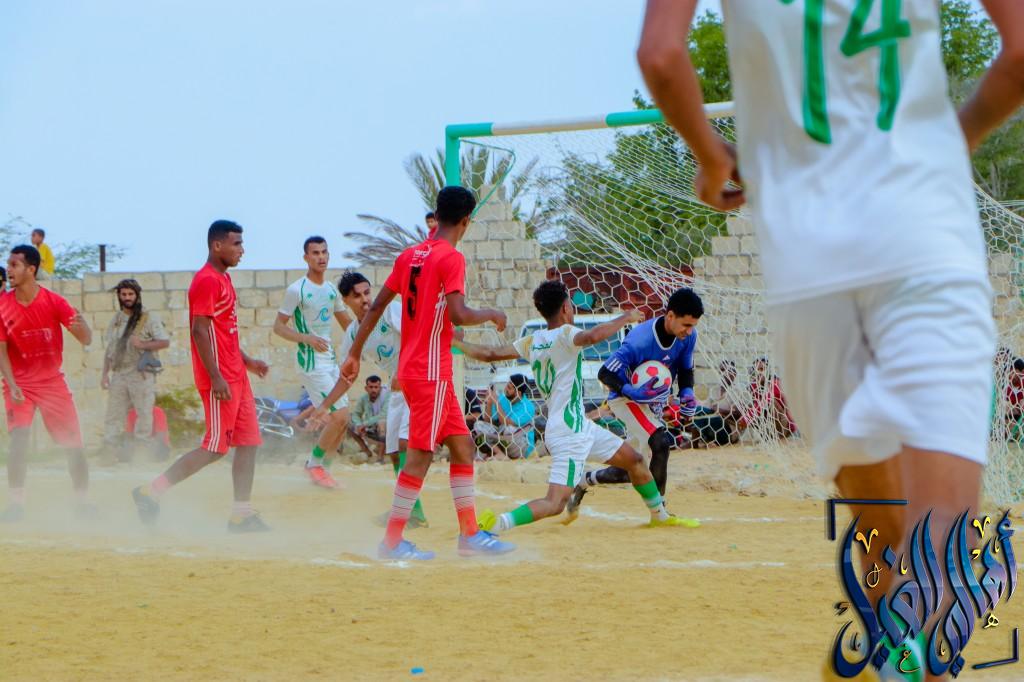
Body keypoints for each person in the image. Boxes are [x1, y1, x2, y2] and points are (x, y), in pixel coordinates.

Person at [637, 0, 1023, 674]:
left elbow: (661, 56)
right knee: (939, 564)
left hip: (808, 270)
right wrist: (952, 139)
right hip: (926, 243)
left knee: (882, 541)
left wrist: (710, 156)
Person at [324, 186, 514, 560]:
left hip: (414, 371)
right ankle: (392, 542)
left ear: (437, 215)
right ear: (466, 221)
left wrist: (355, 353)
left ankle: (469, 535)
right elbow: (459, 314)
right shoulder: (451, 257)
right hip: (430, 372)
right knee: (420, 455)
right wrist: (492, 314)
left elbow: (377, 306)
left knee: (462, 447)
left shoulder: (409, 255)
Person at [455, 280, 688, 533]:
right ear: (566, 307)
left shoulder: (533, 340)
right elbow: (592, 336)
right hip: (569, 432)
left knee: (635, 460)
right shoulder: (566, 334)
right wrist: (625, 317)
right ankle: (496, 524)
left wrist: (456, 343)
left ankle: (659, 515)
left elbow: (489, 354)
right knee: (555, 503)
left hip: (578, 425)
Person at [131, 220, 270, 533]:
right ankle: (150, 492)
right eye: (236, 244)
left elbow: (225, 333)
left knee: (249, 442)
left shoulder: (224, 278)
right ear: (217, 245)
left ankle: (241, 515)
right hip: (221, 381)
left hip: (237, 376)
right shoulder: (206, 281)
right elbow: (199, 330)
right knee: (216, 447)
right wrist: (216, 377)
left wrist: (247, 361)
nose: (242, 250)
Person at [569, 287, 704, 526]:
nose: (689, 331)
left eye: (693, 326)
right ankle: (660, 513)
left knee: (637, 465)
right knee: (661, 442)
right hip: (625, 400)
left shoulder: (688, 337)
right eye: (686, 325)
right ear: (670, 316)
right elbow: (605, 373)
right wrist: (632, 391)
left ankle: (584, 480)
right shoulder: (640, 340)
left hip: (651, 404)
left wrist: (687, 393)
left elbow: (685, 369)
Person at [327, 270, 429, 528]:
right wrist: (323, 407)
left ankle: (408, 513)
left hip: (417, 378)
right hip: (397, 386)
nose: (365, 299)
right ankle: (413, 512)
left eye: (367, 292)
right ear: (346, 301)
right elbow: (347, 376)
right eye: (357, 296)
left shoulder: (390, 310)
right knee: (393, 452)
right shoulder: (353, 334)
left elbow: (418, 336)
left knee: (405, 445)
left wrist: (404, 370)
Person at [0, 245, 93, 521]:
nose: (9, 270)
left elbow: (86, 339)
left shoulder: (54, 302)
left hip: (52, 383)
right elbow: (1, 351)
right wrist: (12, 384)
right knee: (19, 440)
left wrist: (84, 326)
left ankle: (83, 503)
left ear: (31, 269)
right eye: (8, 264)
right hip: (20, 384)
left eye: (15, 265)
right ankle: (16, 505)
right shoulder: (2, 305)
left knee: (73, 445)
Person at [272, 236, 352, 488]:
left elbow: (348, 325)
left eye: (324, 252)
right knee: (338, 415)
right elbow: (278, 327)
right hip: (310, 363)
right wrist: (306, 338)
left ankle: (323, 470)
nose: (321, 257)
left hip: (330, 361)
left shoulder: (330, 290)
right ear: (306, 258)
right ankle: (314, 465)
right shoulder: (297, 290)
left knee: (344, 418)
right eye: (315, 253)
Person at [100, 278, 171, 464]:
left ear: (137, 295)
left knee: (144, 413)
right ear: (119, 296)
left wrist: (143, 344)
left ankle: (142, 453)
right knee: (113, 414)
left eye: (130, 294)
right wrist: (104, 374)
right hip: (119, 372)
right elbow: (110, 349)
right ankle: (109, 451)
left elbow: (164, 341)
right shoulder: (117, 319)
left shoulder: (148, 318)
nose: (127, 297)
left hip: (140, 373)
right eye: (123, 294)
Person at [473, 374, 537, 459]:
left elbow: (507, 423)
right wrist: (489, 402)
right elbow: (488, 421)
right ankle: (500, 453)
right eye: (507, 386)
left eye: (509, 388)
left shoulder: (528, 407)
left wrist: (496, 402)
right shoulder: (503, 398)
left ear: (518, 393)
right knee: (479, 425)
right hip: (502, 442)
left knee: (508, 429)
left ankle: (499, 453)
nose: (506, 389)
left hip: (521, 446)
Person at [737, 357, 796, 440]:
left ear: (768, 371)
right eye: (756, 370)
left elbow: (764, 402)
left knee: (771, 403)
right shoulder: (754, 386)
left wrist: (746, 419)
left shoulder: (776, 383)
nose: (759, 372)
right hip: (768, 425)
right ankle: (765, 436)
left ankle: (779, 437)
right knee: (749, 406)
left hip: (786, 426)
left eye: (762, 369)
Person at [346, 375, 389, 462]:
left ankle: (380, 458)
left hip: (386, 433)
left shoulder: (387, 396)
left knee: (382, 423)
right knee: (347, 421)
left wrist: (364, 424)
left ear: (380, 388)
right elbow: (356, 414)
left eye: (376, 387)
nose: (373, 390)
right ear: (366, 388)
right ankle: (366, 450)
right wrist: (359, 425)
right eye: (371, 387)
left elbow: (384, 415)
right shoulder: (363, 398)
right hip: (369, 430)